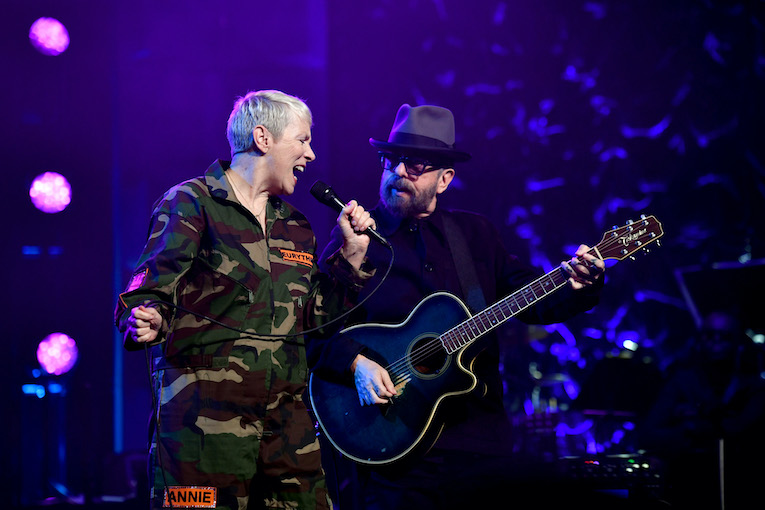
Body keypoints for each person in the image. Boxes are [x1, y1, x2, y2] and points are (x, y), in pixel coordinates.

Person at [307, 104, 606, 509]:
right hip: (392, 449)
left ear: (445, 179)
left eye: (414, 165)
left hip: (478, 445)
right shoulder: (357, 239)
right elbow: (315, 332)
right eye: (390, 160)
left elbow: (534, 303)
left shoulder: (476, 235)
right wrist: (355, 364)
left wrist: (580, 286)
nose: (397, 173)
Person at [114, 89, 377, 510]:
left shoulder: (296, 226)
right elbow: (149, 289)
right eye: (303, 140)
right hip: (204, 430)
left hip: (285, 430)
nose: (311, 154)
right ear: (263, 138)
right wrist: (149, 317)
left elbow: (312, 322)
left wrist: (349, 261)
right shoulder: (192, 202)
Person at [638, 310, 765, 509]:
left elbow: (740, 430)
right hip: (688, 481)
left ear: (739, 343)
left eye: (724, 337)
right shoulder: (682, 381)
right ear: (699, 340)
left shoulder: (754, 386)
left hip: (742, 482)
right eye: (710, 335)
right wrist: (688, 429)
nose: (716, 343)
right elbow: (647, 435)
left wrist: (697, 421)